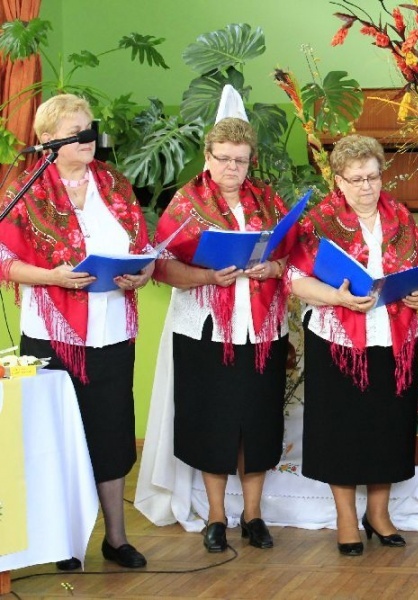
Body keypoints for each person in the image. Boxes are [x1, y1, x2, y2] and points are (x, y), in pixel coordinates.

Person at [0, 94, 151, 569]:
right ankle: (64, 542)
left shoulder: (115, 184)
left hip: (110, 332)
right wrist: (53, 278)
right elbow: (5, 260)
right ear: (48, 141)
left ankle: (116, 539)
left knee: (110, 433)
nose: (89, 138)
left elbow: (144, 249)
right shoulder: (23, 189)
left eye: (90, 128)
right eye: (78, 131)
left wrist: (141, 274)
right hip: (50, 331)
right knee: (56, 436)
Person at [153, 117, 296, 553]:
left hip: (263, 328)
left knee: (259, 421)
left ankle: (253, 515)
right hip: (204, 328)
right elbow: (159, 265)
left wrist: (273, 267)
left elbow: (294, 258)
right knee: (211, 423)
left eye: (241, 160)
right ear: (207, 157)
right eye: (224, 159)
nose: (233, 167)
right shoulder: (185, 203)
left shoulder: (268, 202)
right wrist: (207, 275)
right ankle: (217, 515)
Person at [289, 134, 418, 556]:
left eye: (373, 177)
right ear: (338, 181)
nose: (367, 187)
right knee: (342, 431)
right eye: (356, 179)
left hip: (393, 336)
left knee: (388, 427)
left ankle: (380, 514)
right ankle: (347, 518)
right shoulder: (319, 222)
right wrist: (337, 297)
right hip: (337, 339)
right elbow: (295, 280)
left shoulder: (401, 216)